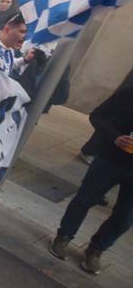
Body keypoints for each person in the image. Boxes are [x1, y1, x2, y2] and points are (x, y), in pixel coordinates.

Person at [51, 83, 133, 274]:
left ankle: (96, 249)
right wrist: (115, 137)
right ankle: (64, 236)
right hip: (111, 159)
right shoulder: (129, 93)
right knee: (84, 200)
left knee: (125, 218)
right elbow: (97, 115)